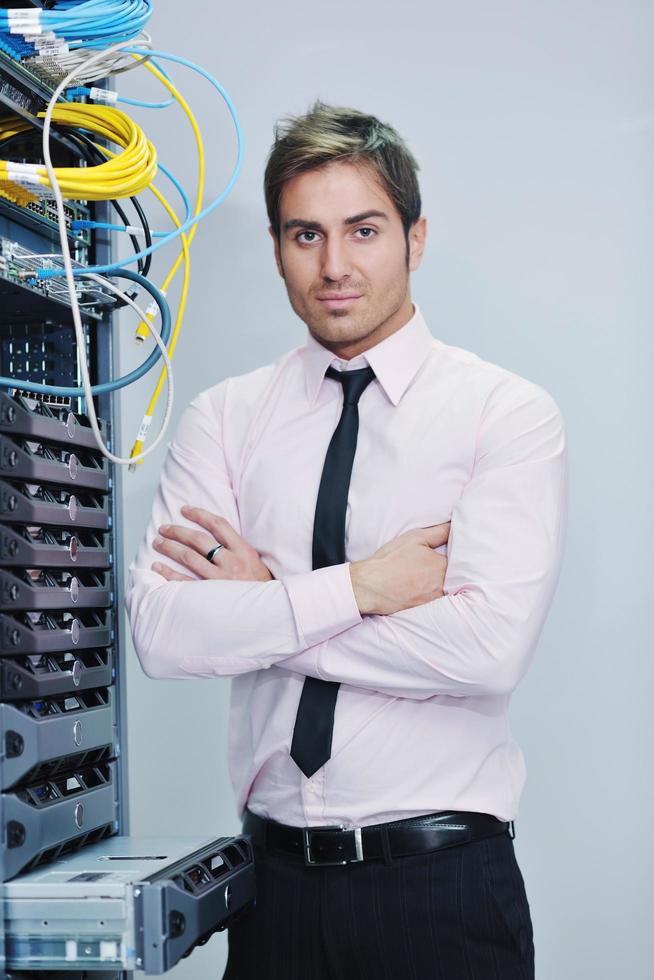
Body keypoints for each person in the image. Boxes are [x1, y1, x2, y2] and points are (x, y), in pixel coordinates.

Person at [125, 101, 568, 979]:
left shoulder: (503, 415)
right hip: (272, 892)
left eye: (363, 230)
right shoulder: (225, 418)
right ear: (276, 246)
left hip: (439, 888)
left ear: (415, 237)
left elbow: (485, 652)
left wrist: (263, 603)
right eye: (304, 235)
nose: (333, 266)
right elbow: (163, 636)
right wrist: (359, 586)